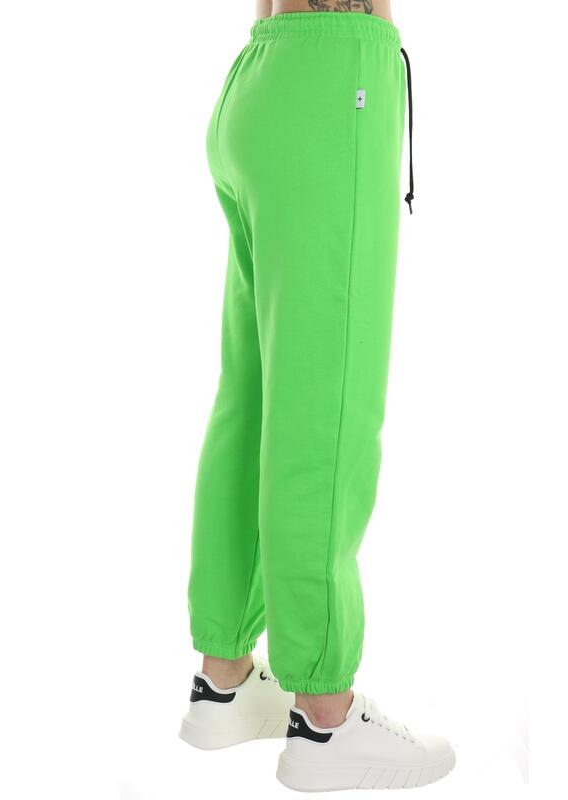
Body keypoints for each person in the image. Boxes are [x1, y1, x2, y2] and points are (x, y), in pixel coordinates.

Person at [179, 1, 454, 791]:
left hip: (262, 80)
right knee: (327, 407)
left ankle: (224, 677)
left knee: (255, 398)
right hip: (335, 80)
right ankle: (325, 717)